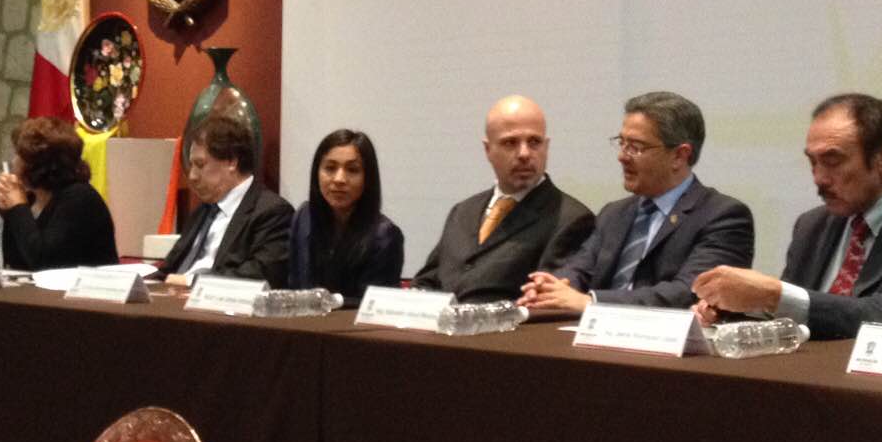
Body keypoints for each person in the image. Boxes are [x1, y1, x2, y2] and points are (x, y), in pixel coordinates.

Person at [693, 93, 882, 338]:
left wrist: (773, 295)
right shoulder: (812, 225)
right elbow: (793, 319)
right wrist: (736, 311)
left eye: (832, 161)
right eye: (812, 162)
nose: (819, 178)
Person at [519, 91, 751, 313]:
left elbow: (690, 292)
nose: (622, 156)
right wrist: (553, 287)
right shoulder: (614, 213)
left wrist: (592, 302)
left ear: (679, 156)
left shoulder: (724, 216)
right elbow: (580, 269)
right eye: (622, 142)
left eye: (636, 147)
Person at [413, 95, 595, 302]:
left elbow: (545, 300)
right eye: (510, 142)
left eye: (534, 142)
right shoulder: (462, 211)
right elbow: (427, 281)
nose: (524, 153)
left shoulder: (571, 219)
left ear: (546, 147)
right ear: (488, 150)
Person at [154, 112, 294, 285]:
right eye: (191, 165)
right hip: (173, 295)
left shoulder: (272, 213)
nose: (192, 176)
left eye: (200, 165)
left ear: (231, 162)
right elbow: (168, 270)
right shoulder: (203, 212)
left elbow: (260, 275)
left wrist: (191, 282)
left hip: (213, 298)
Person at [287, 129, 404, 306]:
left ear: (367, 178)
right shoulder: (304, 217)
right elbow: (292, 286)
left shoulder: (385, 236)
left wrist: (332, 301)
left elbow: (373, 305)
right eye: (330, 168)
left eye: (352, 170)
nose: (339, 179)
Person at [0, 117, 118, 271]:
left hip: (86, 286)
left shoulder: (79, 198)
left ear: (36, 164)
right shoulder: (31, 199)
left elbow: (44, 262)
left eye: (18, 155)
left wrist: (18, 207)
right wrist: (5, 212)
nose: (13, 161)